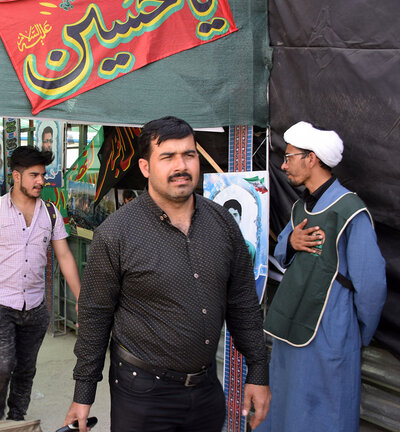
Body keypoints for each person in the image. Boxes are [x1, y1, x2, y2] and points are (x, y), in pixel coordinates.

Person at [63, 116, 270, 432]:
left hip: (205, 390)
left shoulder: (223, 224)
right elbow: (95, 316)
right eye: (168, 157)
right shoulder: (116, 234)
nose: (181, 166)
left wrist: (257, 370)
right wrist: (83, 394)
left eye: (188, 155)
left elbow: (242, 302)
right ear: (145, 167)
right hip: (142, 395)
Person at [257, 122, 386, 432]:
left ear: (311, 159)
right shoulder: (301, 208)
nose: (284, 165)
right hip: (291, 326)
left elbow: (372, 285)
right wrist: (290, 242)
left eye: (289, 158)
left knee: (324, 413)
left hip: (330, 332)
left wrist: (356, 335)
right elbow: (280, 250)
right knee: (287, 407)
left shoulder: (350, 211)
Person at [0, 145, 81, 422]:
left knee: (26, 369)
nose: (41, 181)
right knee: (1, 366)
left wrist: (81, 301)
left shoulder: (51, 214)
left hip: (35, 306)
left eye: (43, 175)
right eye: (34, 175)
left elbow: (65, 257)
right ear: (16, 176)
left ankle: (16, 419)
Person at [222, 198, 257, 265]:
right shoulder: (216, 245)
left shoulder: (249, 248)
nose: (232, 219)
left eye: (235, 215)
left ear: (240, 218)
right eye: (229, 215)